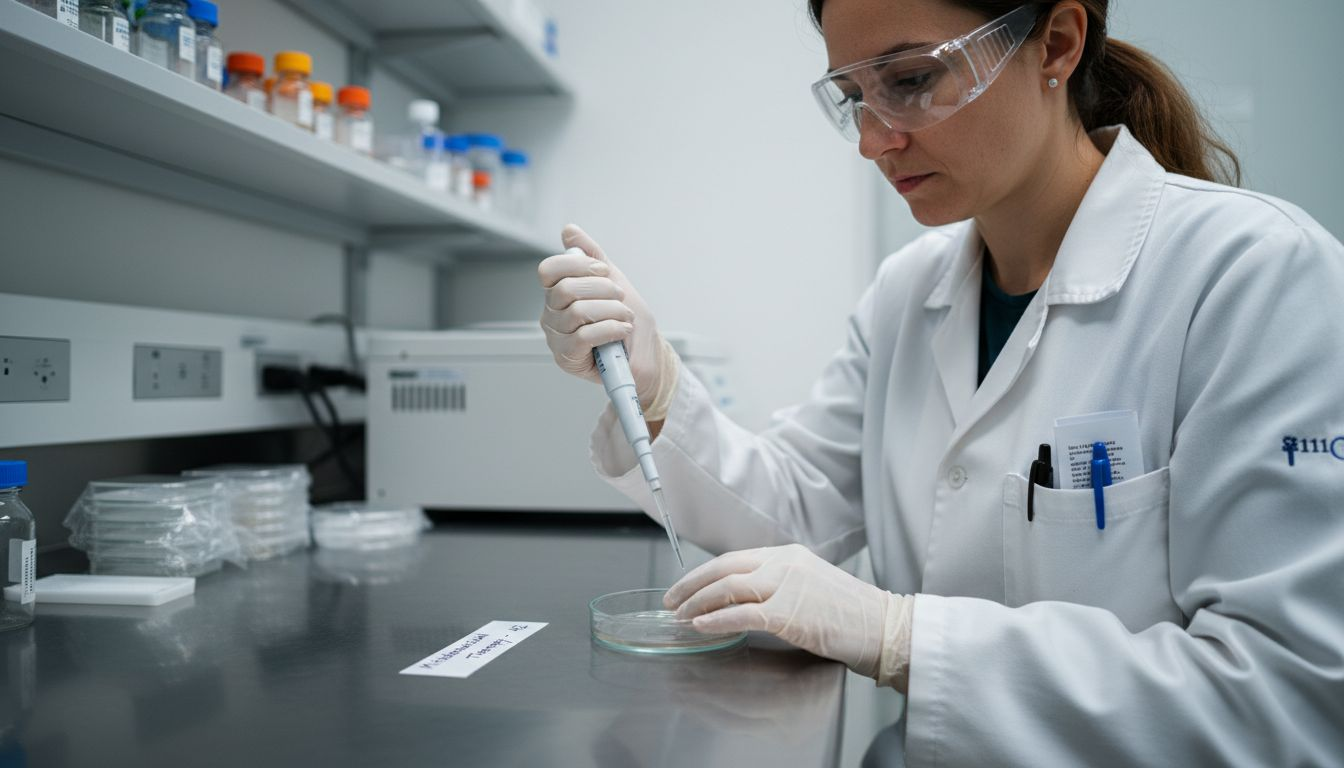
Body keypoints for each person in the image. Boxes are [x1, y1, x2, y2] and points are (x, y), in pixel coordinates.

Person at [537, 0, 1344, 763]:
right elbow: (800, 506)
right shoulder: (907, 293)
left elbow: (1286, 699)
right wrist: (657, 388)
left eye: (912, 79)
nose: (872, 140)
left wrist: (903, 638)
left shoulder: (1255, 275)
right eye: (853, 95)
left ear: (1057, 43)